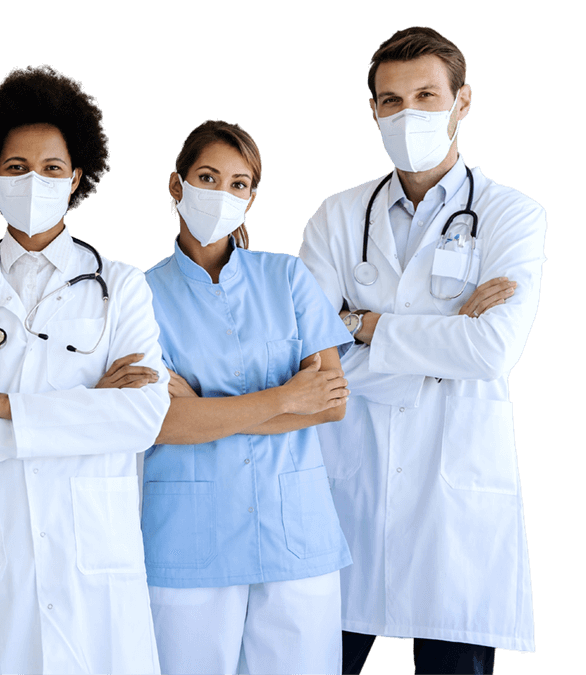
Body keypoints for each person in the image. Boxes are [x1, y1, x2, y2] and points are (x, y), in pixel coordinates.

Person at [298, 26, 542, 673]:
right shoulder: (336, 217)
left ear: (462, 102)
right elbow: (305, 361)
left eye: (427, 96)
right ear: (373, 111)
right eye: (391, 101)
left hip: (453, 511)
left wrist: (363, 324)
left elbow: (492, 350)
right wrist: (443, 338)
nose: (409, 115)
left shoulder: (512, 215)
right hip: (349, 495)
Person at [0, 64, 168, 675]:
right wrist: (87, 407)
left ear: (77, 177)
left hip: (94, 553)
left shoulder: (123, 286)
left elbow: (140, 418)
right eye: (17, 168)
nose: (35, 181)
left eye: (52, 169)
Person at [142, 119, 352, 674]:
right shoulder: (137, 294)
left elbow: (331, 401)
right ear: (176, 185)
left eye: (239, 184)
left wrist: (202, 410)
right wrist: (287, 397)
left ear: (252, 198)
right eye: (208, 177)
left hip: (296, 534)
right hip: (188, 538)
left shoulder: (287, 277)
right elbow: (158, 423)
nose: (222, 194)